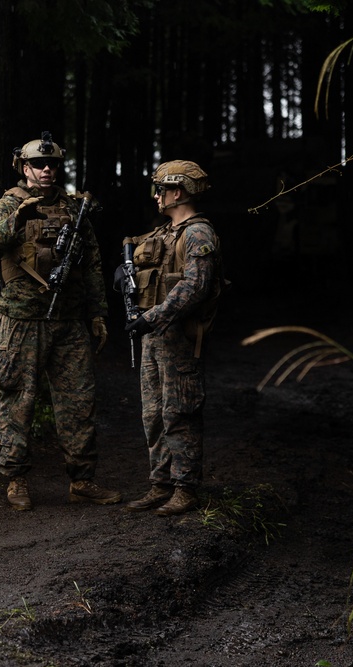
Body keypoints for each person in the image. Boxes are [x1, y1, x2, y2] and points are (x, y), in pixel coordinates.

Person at [0, 131, 121, 511]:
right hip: (22, 319)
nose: (46, 170)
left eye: (52, 164)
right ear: (24, 168)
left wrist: (98, 313)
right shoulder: (10, 204)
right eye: (37, 164)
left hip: (69, 320)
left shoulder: (75, 209)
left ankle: (82, 479)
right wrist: (15, 221)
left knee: (79, 402)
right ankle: (16, 480)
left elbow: (91, 264)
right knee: (17, 399)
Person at [122, 160, 224, 516]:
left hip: (179, 340)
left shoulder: (198, 234)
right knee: (153, 414)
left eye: (161, 190)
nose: (157, 196)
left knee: (179, 412)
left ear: (176, 191)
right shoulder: (164, 232)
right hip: (154, 338)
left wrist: (152, 317)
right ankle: (160, 483)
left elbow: (195, 286)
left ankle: (185, 488)